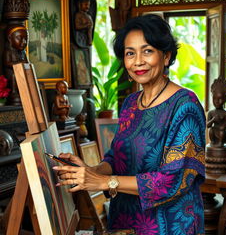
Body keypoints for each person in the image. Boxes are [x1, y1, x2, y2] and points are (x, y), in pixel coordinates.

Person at [53, 14, 206, 234]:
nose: (138, 62)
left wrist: (105, 182)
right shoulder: (131, 103)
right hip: (126, 220)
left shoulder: (185, 106)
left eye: (148, 51)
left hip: (171, 224)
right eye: (130, 53)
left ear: (166, 56)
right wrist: (91, 172)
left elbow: (173, 180)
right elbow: (116, 157)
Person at [207, 77, 226, 147]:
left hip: (221, 132)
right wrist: (213, 120)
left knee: (222, 131)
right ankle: (213, 141)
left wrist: (222, 125)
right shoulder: (211, 113)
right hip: (214, 131)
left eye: (220, 99)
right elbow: (208, 125)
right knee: (211, 130)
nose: (217, 101)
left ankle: (220, 143)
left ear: (225, 99)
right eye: (215, 98)